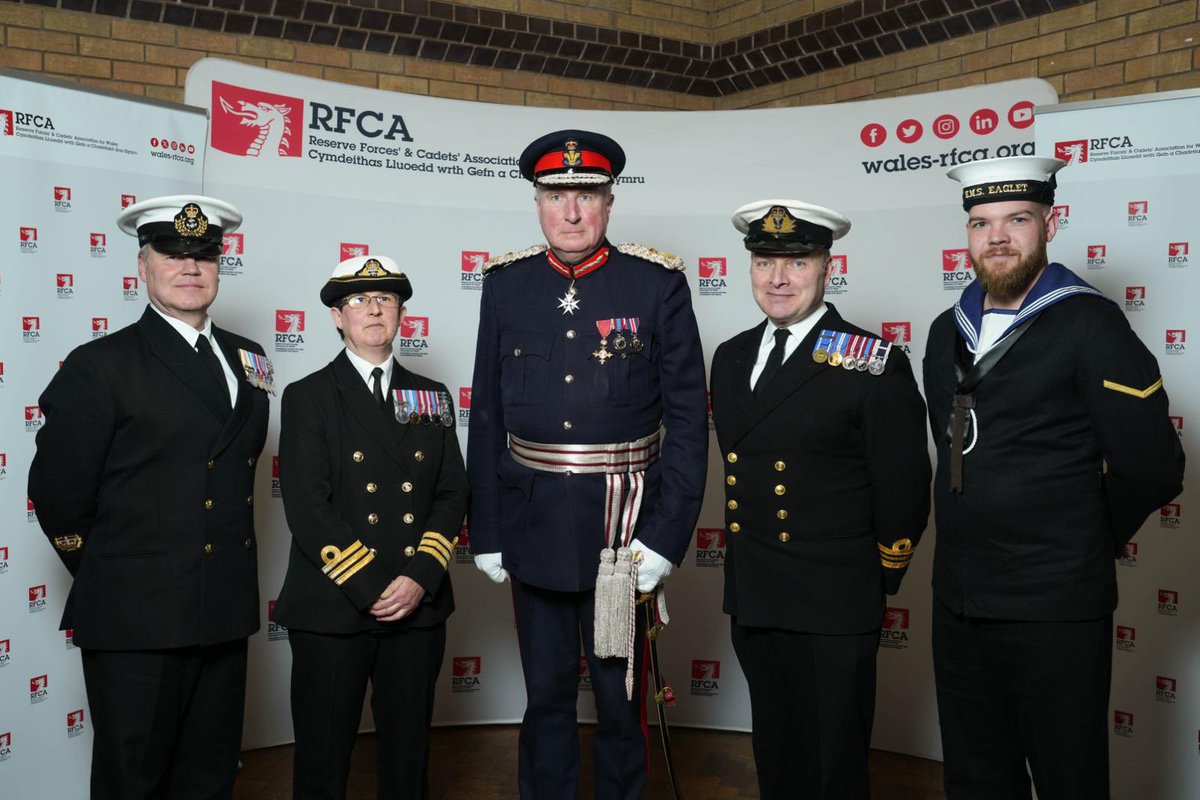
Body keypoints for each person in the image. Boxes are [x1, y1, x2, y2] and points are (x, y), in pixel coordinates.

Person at [924, 156, 1185, 798]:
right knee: (976, 777)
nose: (997, 237)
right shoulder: (941, 332)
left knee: (1068, 779)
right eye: (981, 223)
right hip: (959, 601)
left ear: (1050, 223)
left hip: (1055, 607)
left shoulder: (1089, 323)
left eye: (1017, 219)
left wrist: (1079, 539)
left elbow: (1154, 464)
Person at [466, 129, 708, 800]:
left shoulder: (656, 284)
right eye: (555, 195)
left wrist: (664, 536)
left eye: (586, 196)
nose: (570, 212)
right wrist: (485, 529)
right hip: (532, 524)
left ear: (609, 203)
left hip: (621, 532)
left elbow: (689, 424)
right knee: (544, 698)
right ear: (538, 203)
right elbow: (486, 414)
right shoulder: (507, 286)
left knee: (619, 704)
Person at [28, 195, 270, 799]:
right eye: (173, 253)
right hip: (136, 615)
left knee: (209, 779)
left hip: (222, 609)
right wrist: (120, 571)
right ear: (143, 265)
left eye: (205, 254)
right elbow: (57, 494)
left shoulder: (250, 358)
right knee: (132, 783)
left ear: (220, 264)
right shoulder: (101, 365)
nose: (191, 267)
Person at [709, 200, 931, 799]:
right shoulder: (730, 357)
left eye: (797, 261)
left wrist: (879, 574)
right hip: (756, 591)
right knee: (777, 753)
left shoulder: (873, 362)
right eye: (764, 261)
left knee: (834, 763)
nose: (778, 278)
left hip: (834, 597)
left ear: (828, 266)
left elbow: (905, 484)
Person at [275, 255, 468, 800]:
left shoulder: (431, 395)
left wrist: (419, 577)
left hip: (416, 604)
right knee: (323, 755)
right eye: (358, 300)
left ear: (402, 313)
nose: (373, 309)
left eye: (385, 299)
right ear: (337, 318)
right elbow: (308, 506)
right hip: (333, 604)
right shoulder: (308, 396)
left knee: (408, 756)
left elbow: (453, 491)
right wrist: (371, 585)